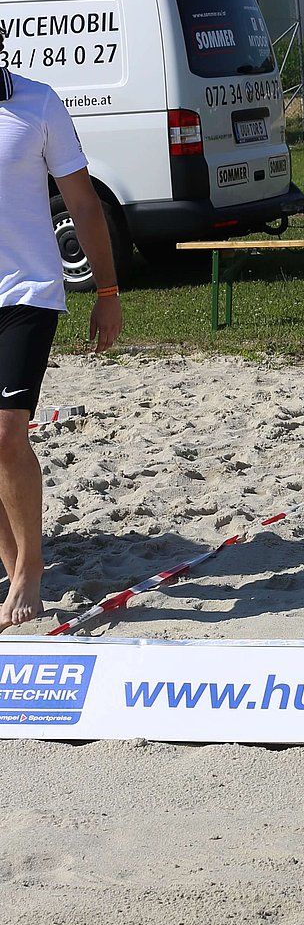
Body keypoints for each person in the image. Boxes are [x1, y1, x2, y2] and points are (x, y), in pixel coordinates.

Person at [0, 65, 123, 630]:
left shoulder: (37, 103)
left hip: (27, 290)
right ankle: (13, 566)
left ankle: (29, 572)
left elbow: (85, 203)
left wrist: (106, 290)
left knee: (6, 433)